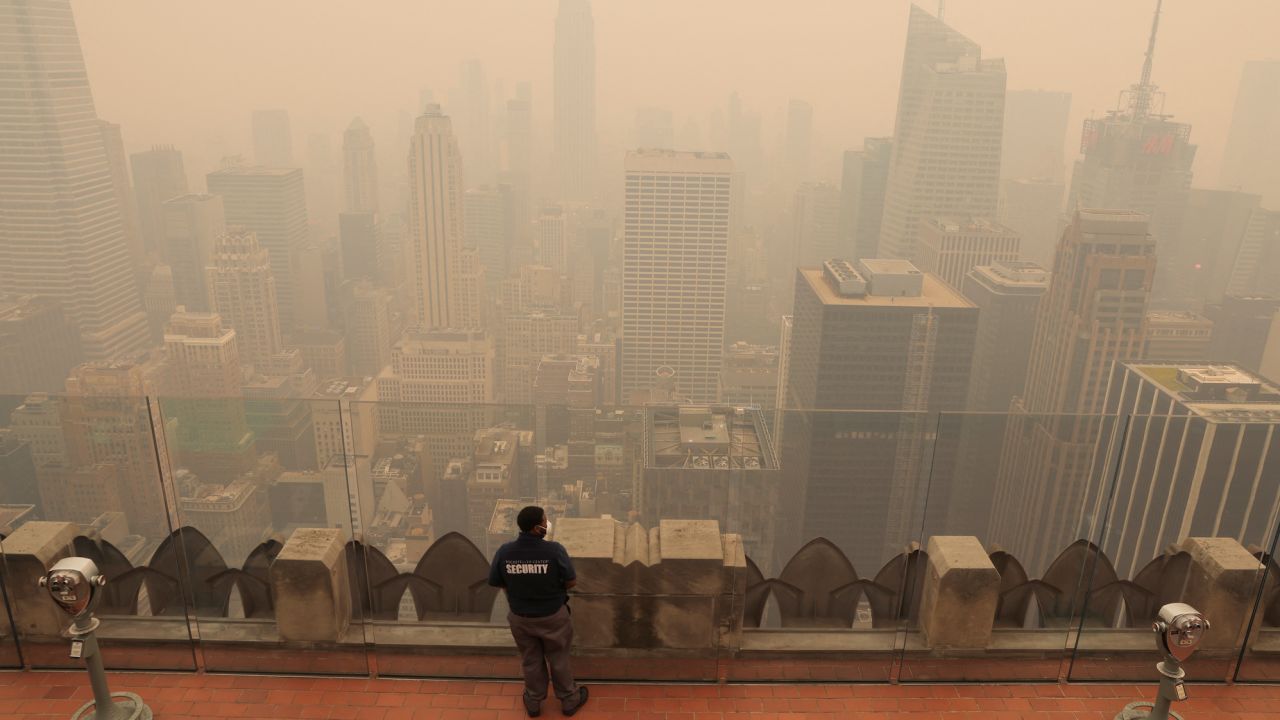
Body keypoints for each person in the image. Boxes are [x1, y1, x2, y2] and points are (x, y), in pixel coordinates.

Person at [488, 505, 588, 717]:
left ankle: (533, 702)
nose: (546, 523)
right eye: (544, 520)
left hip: (520, 617)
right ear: (536, 528)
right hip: (553, 615)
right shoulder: (554, 550)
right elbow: (571, 581)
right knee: (558, 658)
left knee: (531, 659)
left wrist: (519, 592)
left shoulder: (505, 552)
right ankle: (569, 700)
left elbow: (497, 581)